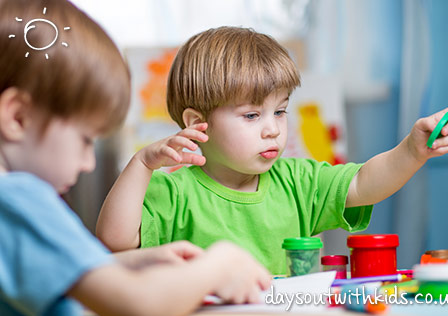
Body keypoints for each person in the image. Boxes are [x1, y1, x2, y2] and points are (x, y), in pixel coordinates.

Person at [96, 26, 448, 275]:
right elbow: (114, 240)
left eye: (281, 111)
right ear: (196, 123)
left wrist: (412, 151)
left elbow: (366, 183)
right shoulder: (173, 190)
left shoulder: (298, 180)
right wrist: (142, 164)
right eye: (252, 115)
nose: (273, 128)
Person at [0, 2, 271, 316]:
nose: (88, 163)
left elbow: (57, 272)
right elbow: (141, 305)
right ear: (18, 117)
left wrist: (133, 261)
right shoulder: (19, 199)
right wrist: (219, 264)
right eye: (85, 140)